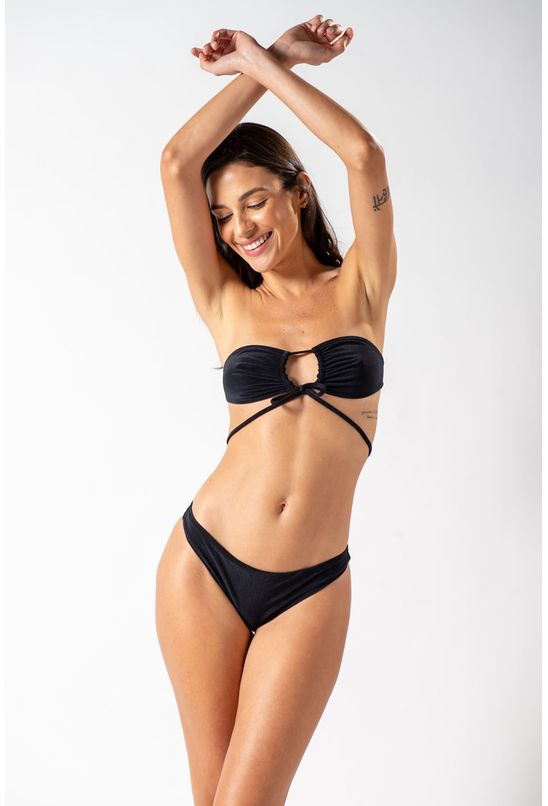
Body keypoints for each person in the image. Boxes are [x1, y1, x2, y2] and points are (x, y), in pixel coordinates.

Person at [155, 14, 397, 805]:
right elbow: (176, 162)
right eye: (223, 217)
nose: (240, 229)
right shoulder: (226, 302)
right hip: (205, 566)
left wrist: (269, 63)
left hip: (311, 586)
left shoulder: (363, 287)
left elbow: (363, 155)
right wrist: (264, 64)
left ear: (299, 191)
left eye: (254, 201)